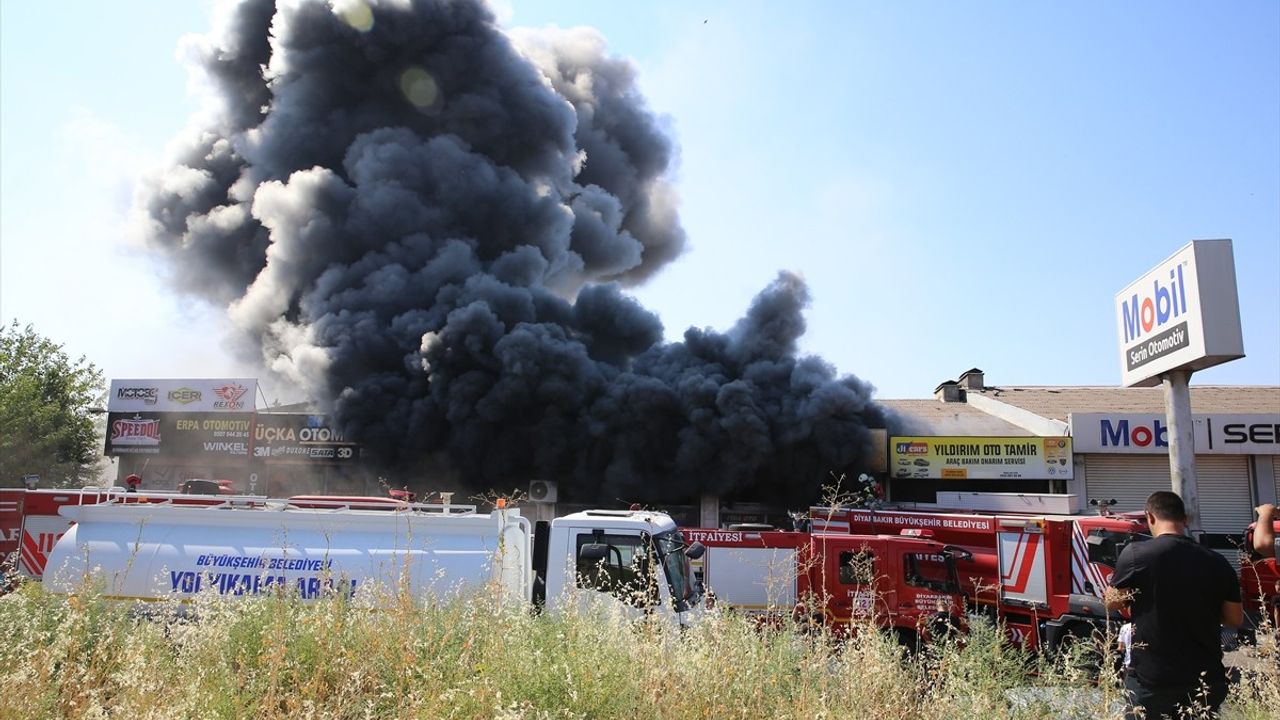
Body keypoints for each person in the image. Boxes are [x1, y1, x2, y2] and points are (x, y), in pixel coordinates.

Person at [1105, 491, 1243, 720]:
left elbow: (1112, 604)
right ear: (1185, 519)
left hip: (1153, 680)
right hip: (1204, 680)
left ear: (1150, 517)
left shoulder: (1137, 555)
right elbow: (1234, 619)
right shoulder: (1217, 561)